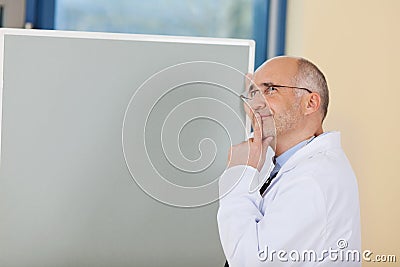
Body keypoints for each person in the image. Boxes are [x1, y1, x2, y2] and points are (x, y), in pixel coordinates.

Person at [217, 56, 361, 266]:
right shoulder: (286, 164)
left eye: (271, 89)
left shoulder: (313, 179)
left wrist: (238, 175)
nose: (255, 104)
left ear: (310, 103)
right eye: (253, 93)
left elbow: (251, 261)